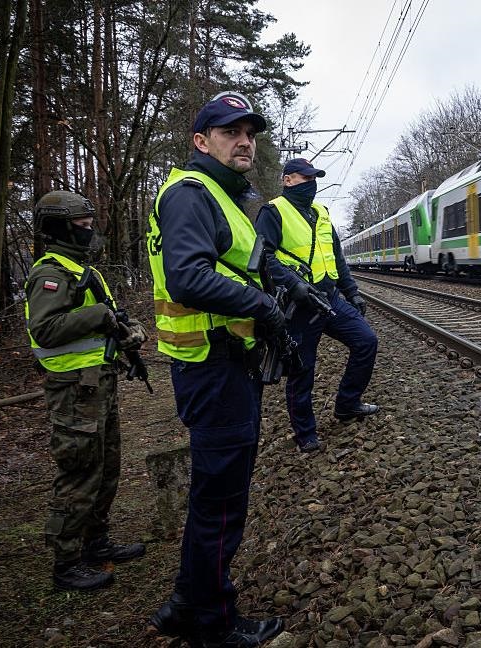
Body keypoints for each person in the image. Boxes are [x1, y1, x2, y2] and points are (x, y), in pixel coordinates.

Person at [146, 91, 285, 647]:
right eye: (230, 132)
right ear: (201, 142)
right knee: (223, 502)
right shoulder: (190, 193)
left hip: (222, 364)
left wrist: (276, 288)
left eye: (250, 132)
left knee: (213, 496)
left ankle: (188, 602)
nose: (245, 140)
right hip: (214, 366)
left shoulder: (222, 199)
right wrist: (263, 308)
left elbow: (241, 268)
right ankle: (212, 624)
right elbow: (187, 277)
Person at [24, 190, 147, 591]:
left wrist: (125, 334)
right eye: (82, 224)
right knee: (79, 471)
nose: (90, 230)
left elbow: (100, 326)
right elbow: (45, 329)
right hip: (74, 391)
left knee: (107, 467)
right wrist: (98, 316)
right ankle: (66, 562)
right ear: (60, 227)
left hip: (98, 385)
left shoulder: (80, 269)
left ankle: (97, 543)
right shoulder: (51, 273)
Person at [255, 157, 379, 453]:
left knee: (366, 341)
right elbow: (263, 257)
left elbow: (337, 257)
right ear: (287, 181)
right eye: (305, 178)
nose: (312, 184)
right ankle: (305, 433)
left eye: (314, 179)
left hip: (331, 298)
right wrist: (293, 284)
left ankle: (347, 404)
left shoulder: (321, 213)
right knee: (302, 369)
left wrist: (353, 293)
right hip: (299, 306)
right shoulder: (272, 212)